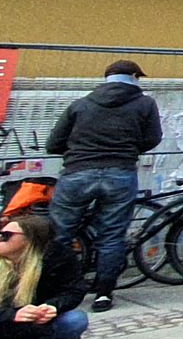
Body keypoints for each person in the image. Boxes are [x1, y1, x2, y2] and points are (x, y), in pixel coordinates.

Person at [44, 60, 163, 312]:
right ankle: (103, 294)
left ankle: (52, 290)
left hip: (77, 172)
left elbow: (53, 144)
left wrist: (79, 151)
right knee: (111, 237)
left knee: (59, 235)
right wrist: (128, 149)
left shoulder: (81, 104)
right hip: (120, 173)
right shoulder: (145, 104)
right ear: (134, 76)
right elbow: (153, 138)